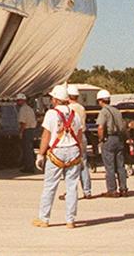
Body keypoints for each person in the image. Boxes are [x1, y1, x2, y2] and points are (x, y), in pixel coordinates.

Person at [33, 83, 84, 229]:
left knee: (50, 186)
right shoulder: (74, 114)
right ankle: (70, 220)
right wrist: (79, 151)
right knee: (72, 186)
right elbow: (79, 134)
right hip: (73, 150)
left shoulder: (51, 114)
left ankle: (44, 219)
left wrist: (40, 154)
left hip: (57, 152)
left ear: (55, 99)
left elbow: (46, 135)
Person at [95, 89, 128, 197]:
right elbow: (123, 126)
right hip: (119, 139)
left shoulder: (103, 111)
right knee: (120, 165)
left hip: (109, 139)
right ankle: (123, 188)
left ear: (100, 101)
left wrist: (101, 139)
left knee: (109, 166)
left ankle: (112, 190)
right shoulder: (117, 111)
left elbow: (100, 127)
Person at [66, 84, 93, 198]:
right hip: (82, 136)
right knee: (83, 164)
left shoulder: (69, 109)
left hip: (72, 137)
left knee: (71, 167)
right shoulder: (81, 108)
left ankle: (71, 192)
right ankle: (87, 191)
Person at [16, 93, 39, 173]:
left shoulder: (23, 109)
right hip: (32, 130)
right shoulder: (29, 108)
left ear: (22, 101)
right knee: (30, 148)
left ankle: (28, 167)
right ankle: (31, 165)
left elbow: (23, 123)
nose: (17, 102)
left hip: (27, 130)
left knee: (27, 150)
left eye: (18, 101)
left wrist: (21, 132)